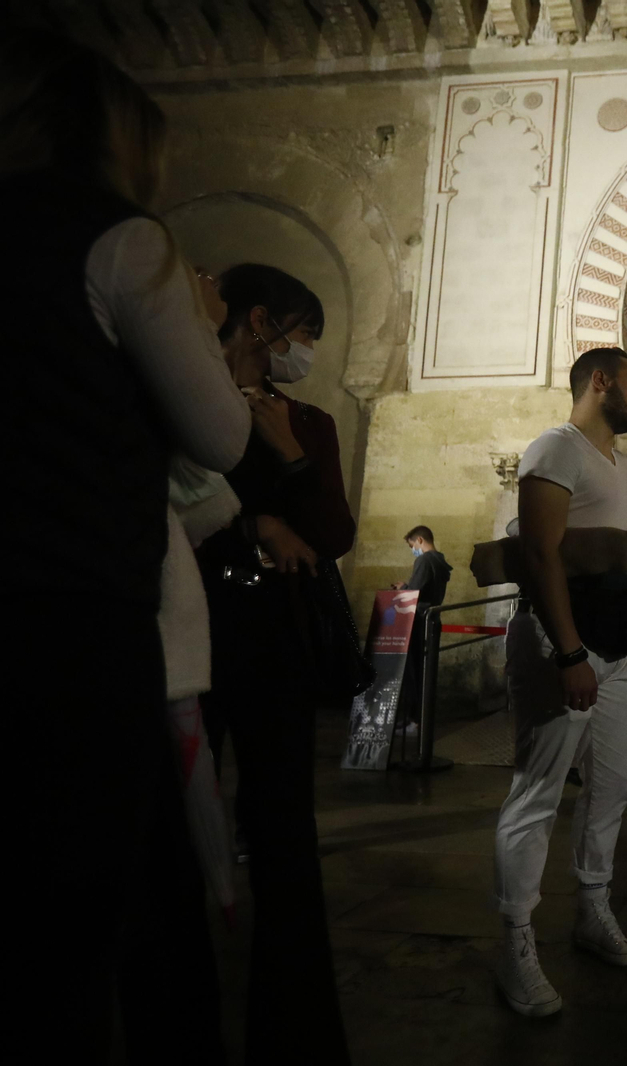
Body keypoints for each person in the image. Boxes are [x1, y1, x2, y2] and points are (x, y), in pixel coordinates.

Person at [7, 33, 248, 1062]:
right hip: (78, 619)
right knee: (80, 913)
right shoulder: (121, 238)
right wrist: (197, 323)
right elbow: (220, 437)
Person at [198, 262, 356, 1064]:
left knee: (283, 829)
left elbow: (333, 533)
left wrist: (288, 449)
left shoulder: (310, 420)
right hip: (192, 627)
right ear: (262, 323)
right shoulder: (192, 400)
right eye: (303, 335)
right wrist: (260, 518)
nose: (305, 354)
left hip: (274, 640)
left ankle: (293, 1031)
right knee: (179, 818)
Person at [494, 347, 627, 1018]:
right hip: (565, 645)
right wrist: (568, 653)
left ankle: (593, 912)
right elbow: (539, 553)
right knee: (538, 794)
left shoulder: (622, 466)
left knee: (613, 786)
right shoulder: (556, 448)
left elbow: (626, 554)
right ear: (601, 383)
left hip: (617, 651)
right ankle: (515, 946)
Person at [392, 524, 453, 732]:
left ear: (420, 540)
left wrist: (403, 587)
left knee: (414, 672)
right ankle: (419, 719)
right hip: (432, 620)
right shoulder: (441, 561)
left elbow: (414, 592)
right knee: (425, 672)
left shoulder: (425, 560)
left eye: (412, 546)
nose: (413, 551)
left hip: (418, 620)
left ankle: (414, 720)